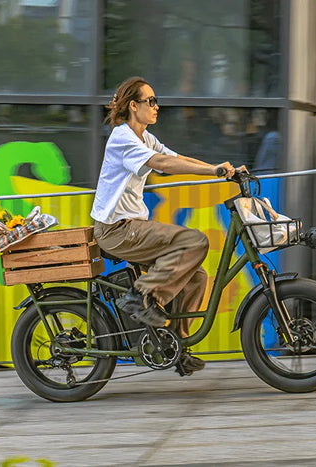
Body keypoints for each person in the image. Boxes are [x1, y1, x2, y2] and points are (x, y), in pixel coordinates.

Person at [91, 76, 243, 375]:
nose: (156, 106)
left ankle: (176, 345)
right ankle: (142, 295)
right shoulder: (123, 138)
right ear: (133, 106)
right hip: (117, 230)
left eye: (156, 101)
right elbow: (163, 165)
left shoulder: (144, 137)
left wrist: (221, 171)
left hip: (132, 227)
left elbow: (175, 158)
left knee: (197, 278)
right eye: (151, 101)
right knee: (195, 241)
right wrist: (214, 171)